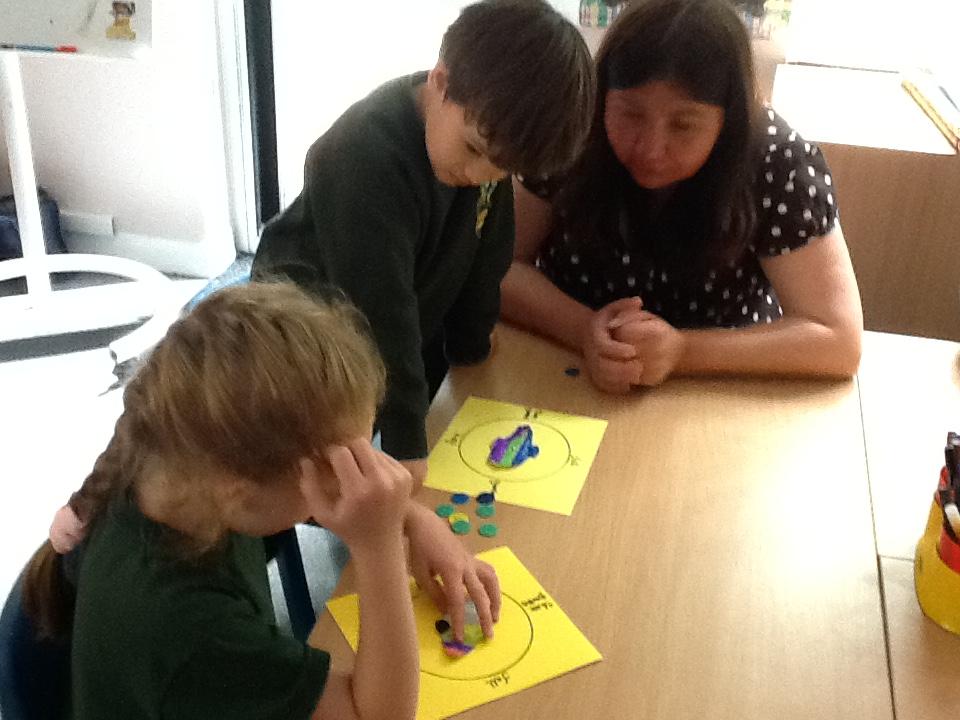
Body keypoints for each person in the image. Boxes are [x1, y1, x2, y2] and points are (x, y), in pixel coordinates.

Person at [24, 283, 501, 720]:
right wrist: (380, 547)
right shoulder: (191, 633)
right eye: (339, 469)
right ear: (241, 490)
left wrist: (412, 518)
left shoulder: (172, 466)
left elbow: (302, 495)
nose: (360, 479)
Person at [251, 0, 595, 482]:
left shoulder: (479, 148)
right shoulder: (362, 157)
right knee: (315, 474)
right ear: (441, 81)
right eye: (474, 150)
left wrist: (472, 342)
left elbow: (487, 250)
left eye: (503, 168)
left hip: (398, 318)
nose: (480, 176)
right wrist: (406, 442)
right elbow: (379, 313)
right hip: (302, 343)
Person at [501, 0, 863, 393]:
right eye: (631, 114)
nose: (651, 149)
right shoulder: (573, 128)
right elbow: (497, 266)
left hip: (725, 385)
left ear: (729, 120)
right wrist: (584, 330)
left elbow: (837, 339)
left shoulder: (776, 160)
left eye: (683, 125)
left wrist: (682, 351)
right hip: (567, 369)